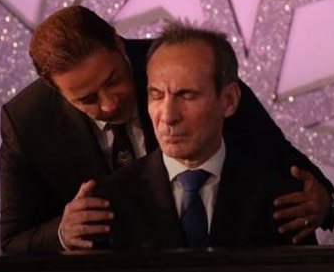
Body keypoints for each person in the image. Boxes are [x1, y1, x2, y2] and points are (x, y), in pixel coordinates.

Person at [0, 6, 334, 253]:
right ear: (56, 91)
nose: (109, 105)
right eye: (87, 99)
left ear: (119, 44)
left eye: (113, 80)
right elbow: (14, 240)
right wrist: (62, 233)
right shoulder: (25, 121)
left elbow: (282, 161)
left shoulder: (183, 66)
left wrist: (325, 200)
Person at [92, 23, 314, 248]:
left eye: (187, 95)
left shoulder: (281, 196)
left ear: (229, 100)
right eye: (157, 95)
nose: (168, 116)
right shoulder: (108, 203)